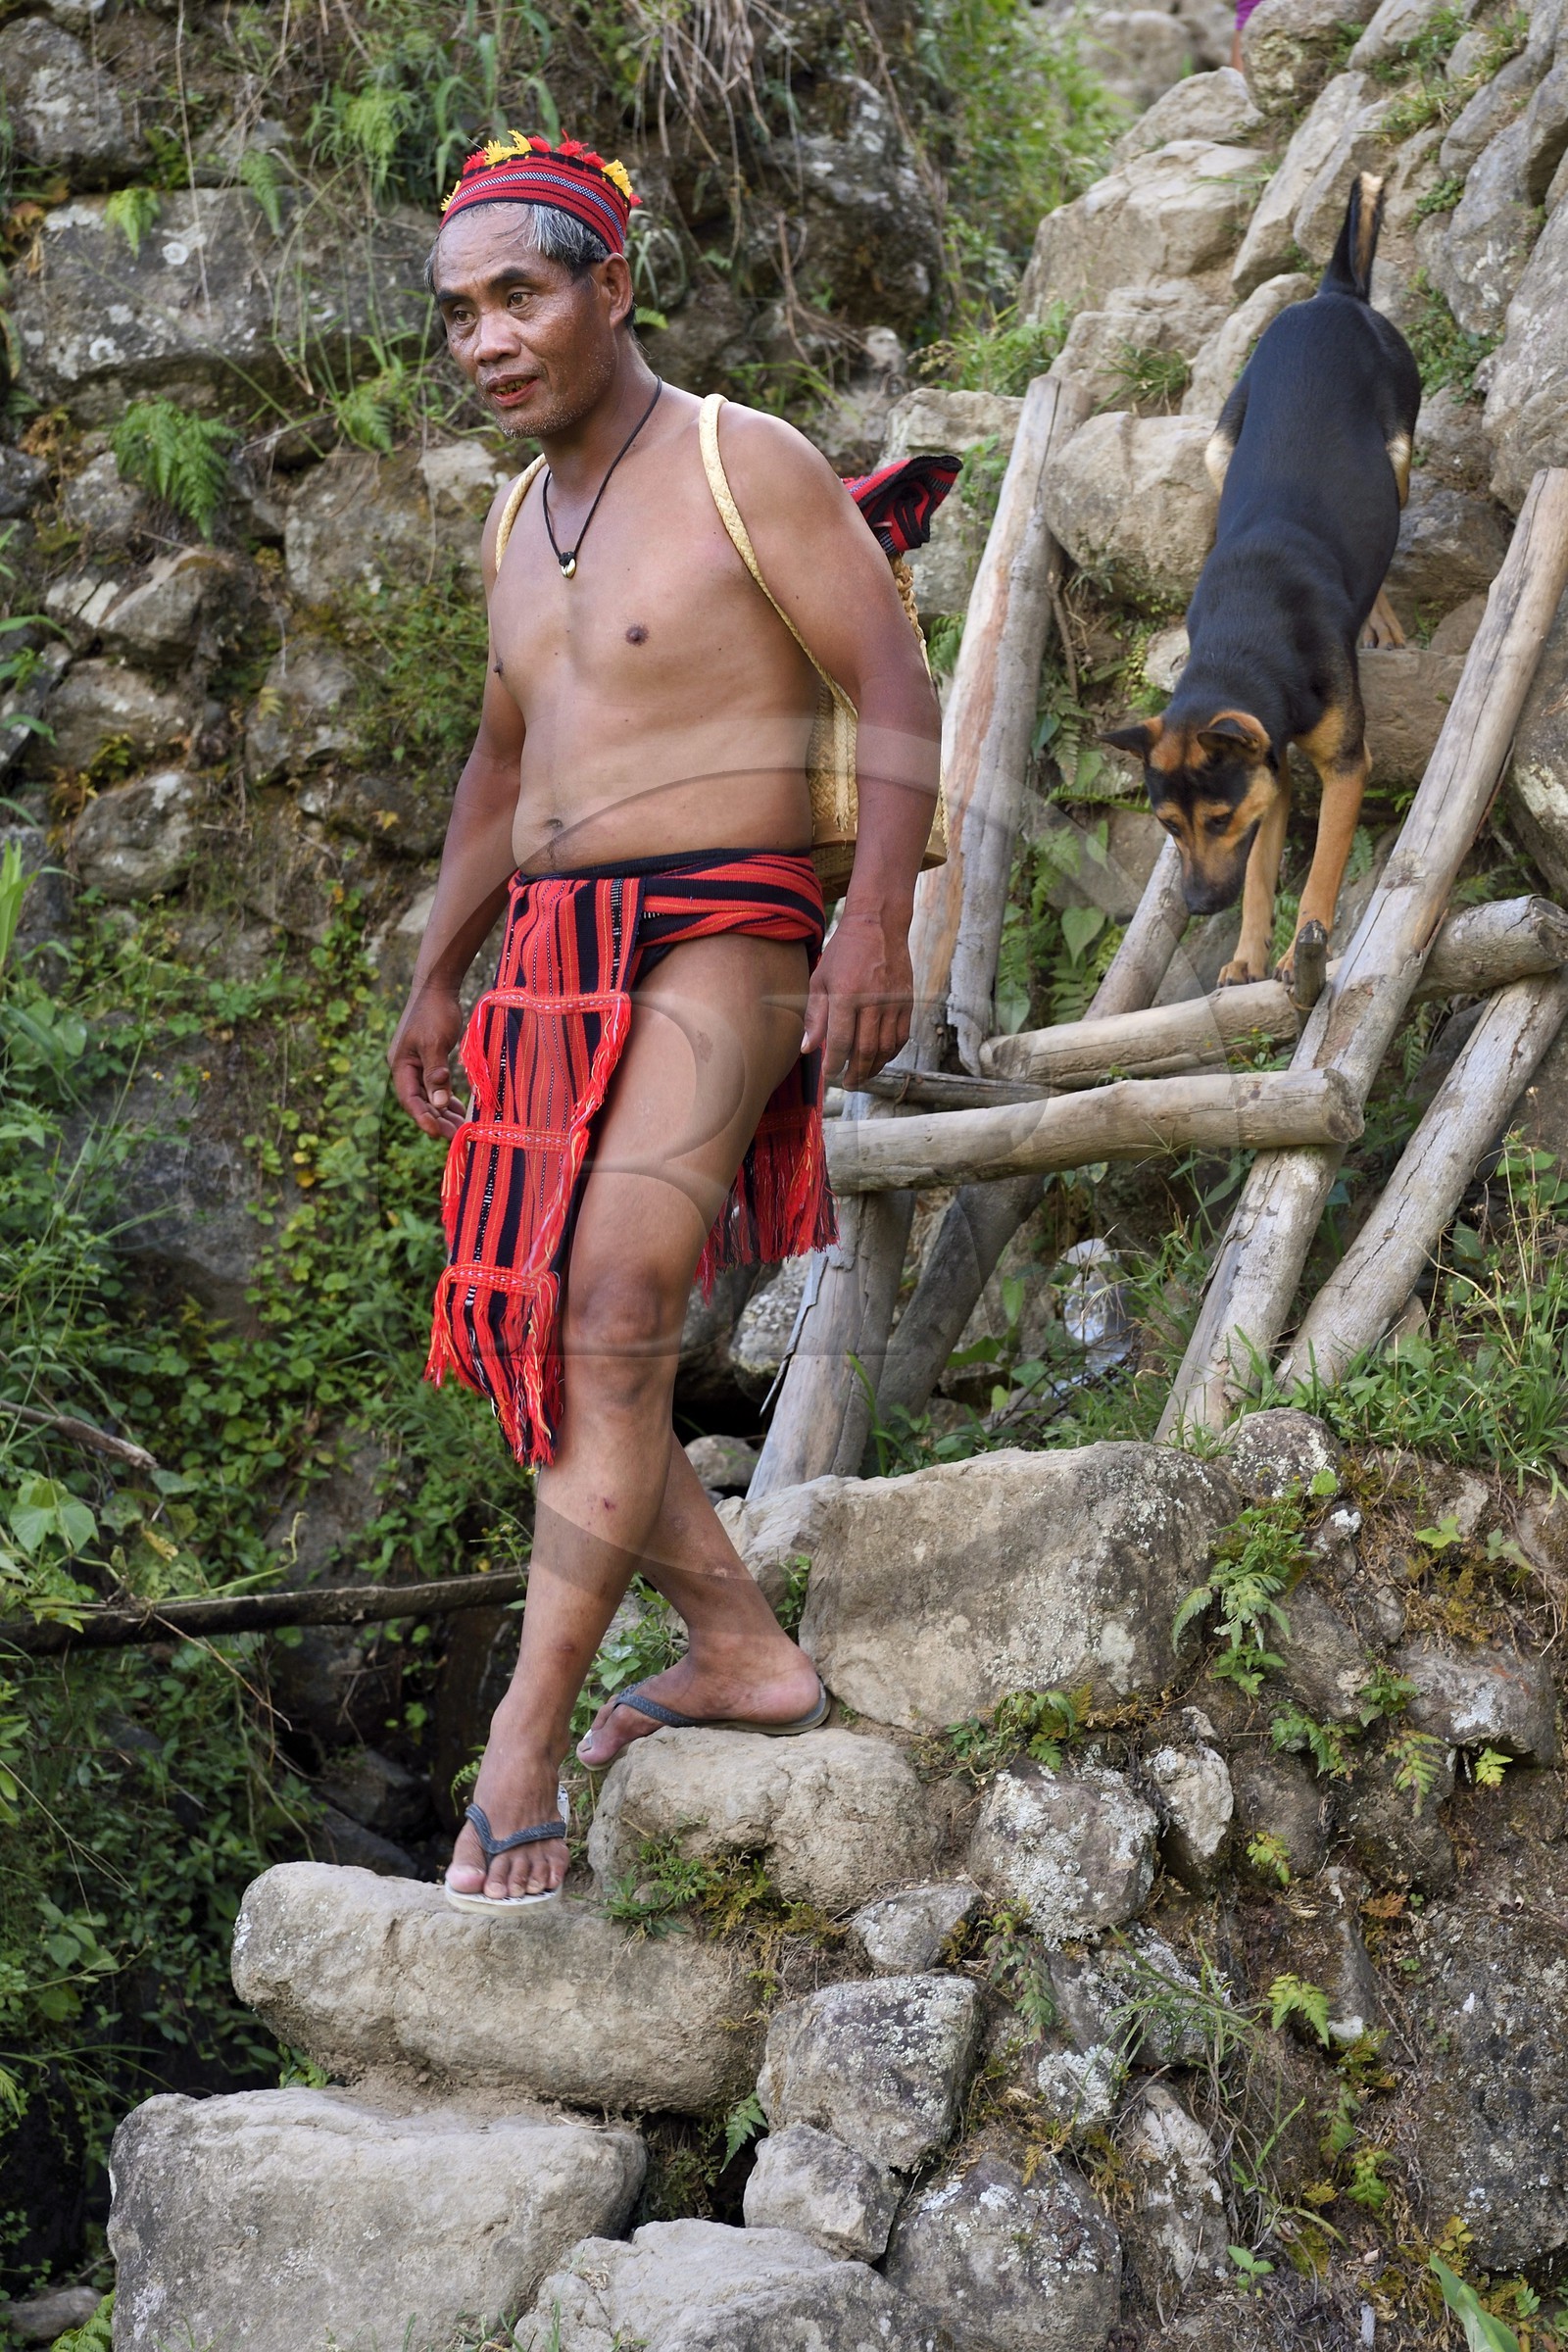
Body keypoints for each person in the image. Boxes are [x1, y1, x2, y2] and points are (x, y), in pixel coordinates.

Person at [387, 133, 942, 1907]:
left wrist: (877, 917)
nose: (486, 338)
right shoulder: (508, 514)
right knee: (546, 1334)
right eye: (462, 311)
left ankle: (518, 1750)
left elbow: (894, 679)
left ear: (609, 289)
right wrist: (438, 965)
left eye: (520, 296)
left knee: (618, 1298)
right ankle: (739, 1649)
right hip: (554, 952)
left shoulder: (734, 460)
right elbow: (503, 765)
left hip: (734, 921)